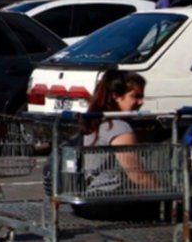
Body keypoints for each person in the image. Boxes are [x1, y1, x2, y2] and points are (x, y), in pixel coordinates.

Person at [70, 70, 163, 220]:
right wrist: (168, 193)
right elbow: (137, 175)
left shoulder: (95, 123)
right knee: (181, 208)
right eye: (135, 96)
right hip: (107, 201)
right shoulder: (118, 127)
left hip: (85, 201)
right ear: (116, 96)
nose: (141, 102)